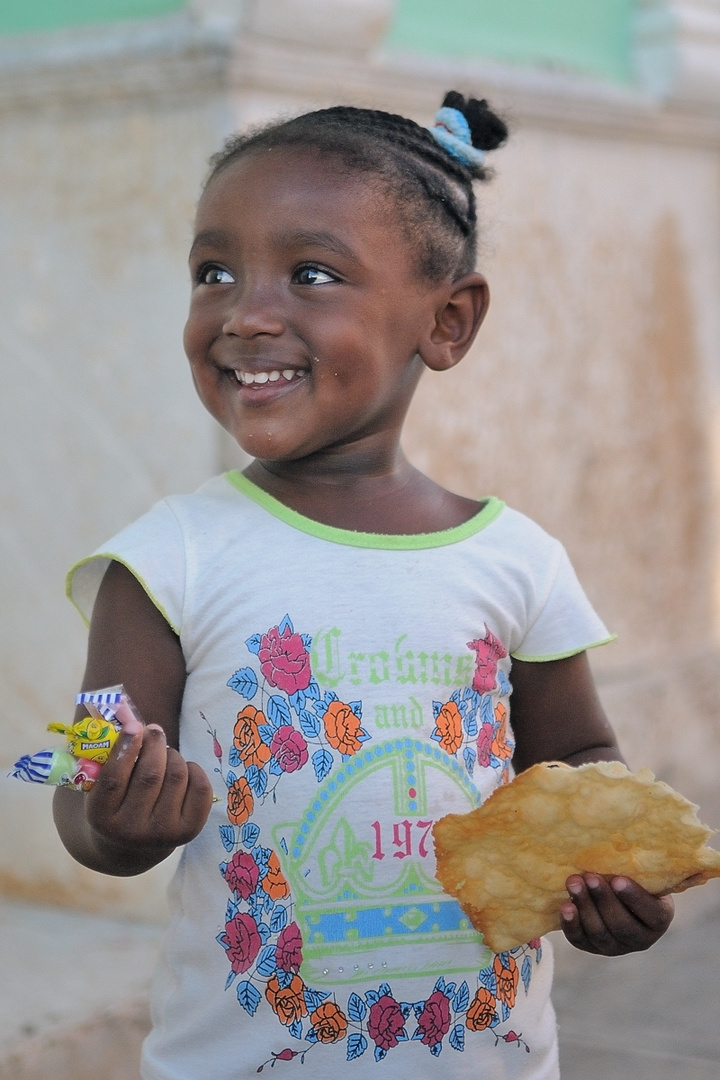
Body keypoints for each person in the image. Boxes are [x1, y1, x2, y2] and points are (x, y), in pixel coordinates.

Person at [54, 92, 673, 1078]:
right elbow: (83, 765)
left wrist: (607, 876)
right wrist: (109, 819)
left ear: (448, 321)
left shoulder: (518, 560)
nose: (246, 312)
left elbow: (581, 755)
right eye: (214, 271)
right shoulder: (162, 562)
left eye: (311, 273)